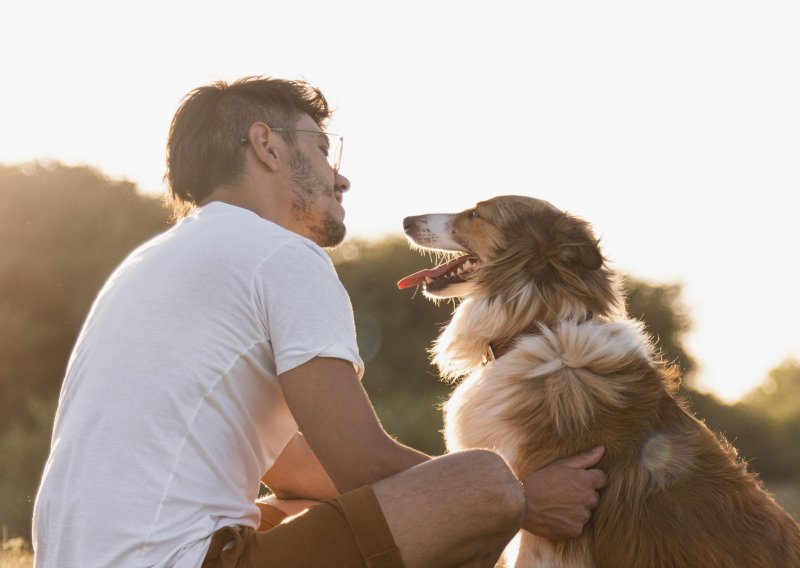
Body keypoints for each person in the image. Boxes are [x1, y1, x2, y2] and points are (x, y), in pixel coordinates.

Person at [32, 76, 607, 568]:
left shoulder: (155, 261)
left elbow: (292, 465)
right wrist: (523, 497)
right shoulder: (280, 255)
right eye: (322, 148)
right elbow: (362, 463)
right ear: (268, 147)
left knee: (299, 509)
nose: (340, 177)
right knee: (481, 481)